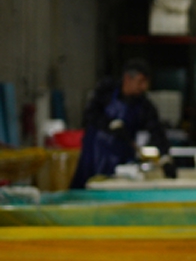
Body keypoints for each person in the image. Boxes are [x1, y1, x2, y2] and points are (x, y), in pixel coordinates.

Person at [70, 58, 177, 188]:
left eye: (146, 83)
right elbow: (90, 114)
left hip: (121, 162)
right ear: (127, 78)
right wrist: (110, 124)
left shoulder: (145, 106)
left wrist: (165, 159)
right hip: (94, 156)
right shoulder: (106, 91)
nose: (144, 87)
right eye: (140, 82)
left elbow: (157, 132)